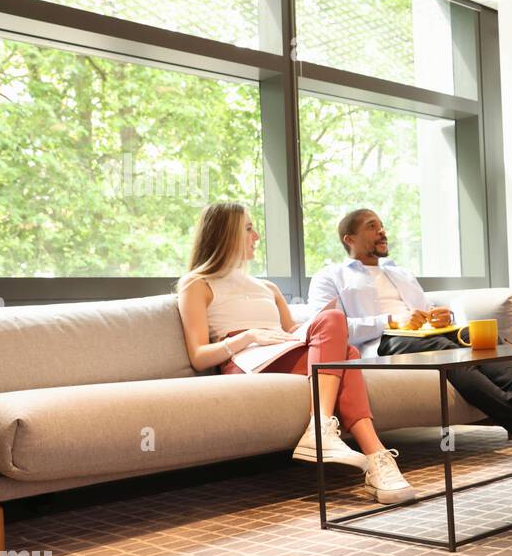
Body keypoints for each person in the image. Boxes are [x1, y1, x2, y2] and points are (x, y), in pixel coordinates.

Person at [176, 202, 415, 504]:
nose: (257, 236)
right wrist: (247, 336)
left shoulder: (267, 288)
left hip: (281, 350)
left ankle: (368, 456)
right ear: (226, 234)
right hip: (245, 360)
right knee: (345, 346)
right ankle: (362, 451)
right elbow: (198, 355)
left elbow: (290, 331)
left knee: (345, 344)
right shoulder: (197, 284)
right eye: (249, 228)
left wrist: (318, 326)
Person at [309, 209, 512, 459]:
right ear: (349, 238)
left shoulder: (400, 273)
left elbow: (426, 311)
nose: (382, 231)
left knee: (480, 336)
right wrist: (391, 320)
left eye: (382, 225)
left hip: (424, 336)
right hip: (382, 343)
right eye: (372, 226)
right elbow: (327, 327)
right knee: (446, 349)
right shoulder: (331, 276)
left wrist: (444, 315)